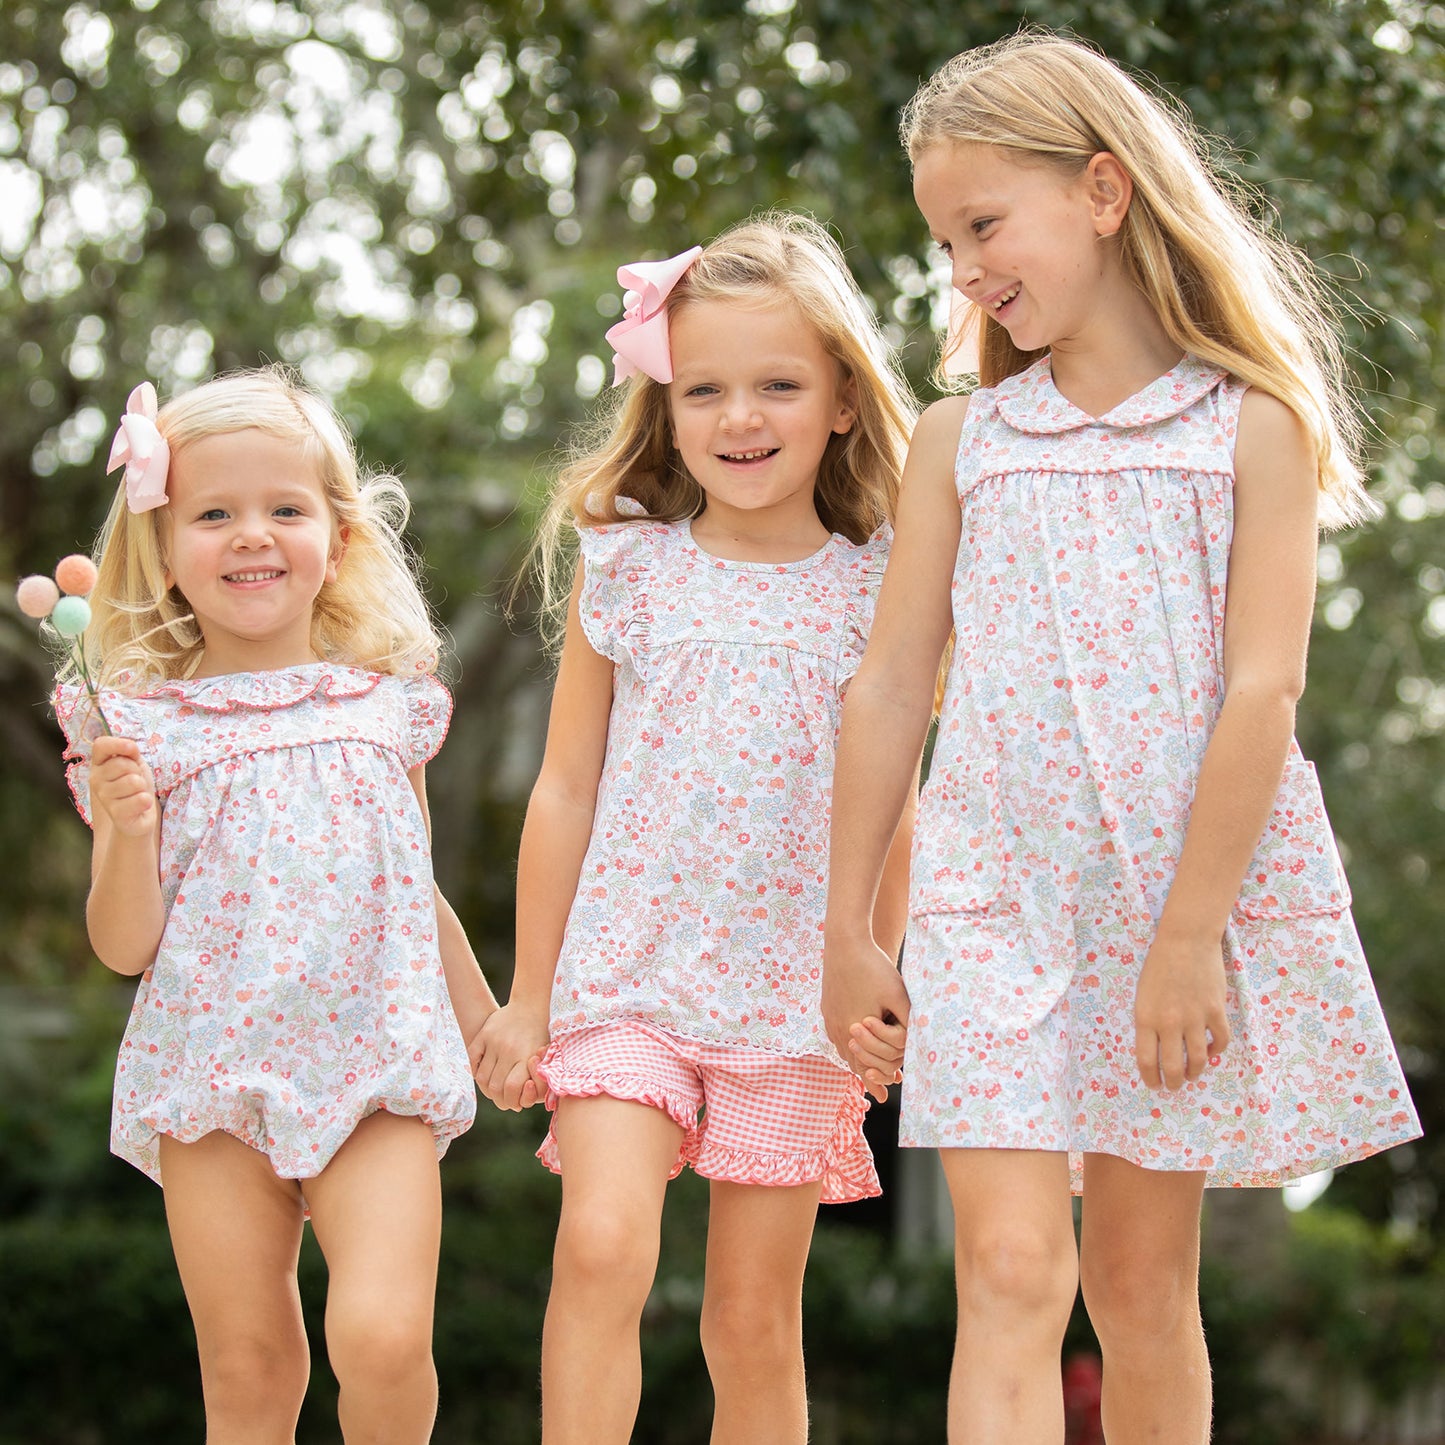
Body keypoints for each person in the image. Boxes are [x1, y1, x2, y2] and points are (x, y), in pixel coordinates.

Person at [821, 32, 1421, 1445]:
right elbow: (892, 685)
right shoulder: (960, 441)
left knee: (1142, 1287)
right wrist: (850, 918)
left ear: (1102, 190)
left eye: (980, 226)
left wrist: (1187, 934)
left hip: (1170, 904)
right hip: (991, 902)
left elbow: (1261, 695)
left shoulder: (1250, 426)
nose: (961, 268)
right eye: (943, 240)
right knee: (1013, 1272)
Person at [474, 213, 917, 1445]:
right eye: (705, 388)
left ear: (838, 398)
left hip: (792, 1001)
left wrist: (882, 973)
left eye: (777, 383)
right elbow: (563, 789)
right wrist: (527, 995)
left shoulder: (876, 589)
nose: (739, 416)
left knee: (749, 1317)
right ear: (666, 409)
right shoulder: (629, 567)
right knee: (603, 1244)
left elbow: (896, 809)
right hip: (625, 982)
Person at [52, 367, 499, 1445]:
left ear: (336, 539)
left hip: (376, 1062)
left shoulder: (385, 706)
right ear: (163, 551)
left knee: (386, 1337)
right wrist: (127, 829)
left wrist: (488, 1023)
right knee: (248, 1368)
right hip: (211, 1072)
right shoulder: (140, 729)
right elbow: (124, 948)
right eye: (213, 512)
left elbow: (413, 880)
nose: (251, 534)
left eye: (284, 508)